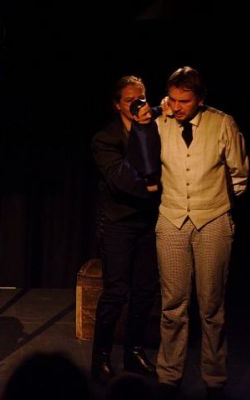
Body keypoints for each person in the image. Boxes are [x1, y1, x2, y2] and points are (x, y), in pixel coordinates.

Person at [154, 66, 249, 398]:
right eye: (173, 99)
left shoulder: (222, 123)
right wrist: (158, 112)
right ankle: (168, 376)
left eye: (185, 101)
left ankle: (214, 378)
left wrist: (216, 205)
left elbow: (239, 173)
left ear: (200, 99)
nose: (177, 107)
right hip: (172, 220)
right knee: (173, 305)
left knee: (211, 306)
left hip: (213, 220)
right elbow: (141, 154)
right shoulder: (160, 123)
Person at [90, 75, 161, 384]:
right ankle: (101, 358)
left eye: (141, 98)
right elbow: (121, 179)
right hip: (118, 223)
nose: (138, 104)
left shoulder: (155, 128)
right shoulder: (105, 139)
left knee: (145, 291)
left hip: (148, 221)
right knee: (116, 292)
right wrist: (154, 186)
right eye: (130, 100)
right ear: (117, 104)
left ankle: (134, 351)